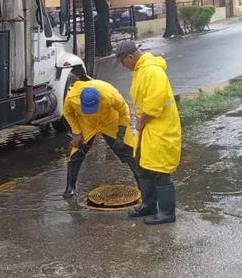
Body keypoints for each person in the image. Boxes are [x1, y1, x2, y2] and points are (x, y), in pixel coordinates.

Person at [115, 41, 182, 225]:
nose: (123, 66)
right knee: (144, 167)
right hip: (149, 128)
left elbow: (153, 105)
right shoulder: (140, 70)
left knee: (160, 171)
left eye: (123, 62)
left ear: (130, 57)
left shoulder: (152, 71)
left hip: (160, 128)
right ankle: (149, 205)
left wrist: (140, 123)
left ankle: (167, 214)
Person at [62, 71, 140, 199]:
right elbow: (68, 113)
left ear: (99, 99)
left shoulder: (109, 93)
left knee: (127, 150)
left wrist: (120, 133)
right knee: (77, 153)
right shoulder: (71, 98)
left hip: (109, 121)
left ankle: (142, 183)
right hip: (87, 124)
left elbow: (124, 110)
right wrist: (76, 132)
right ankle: (70, 188)